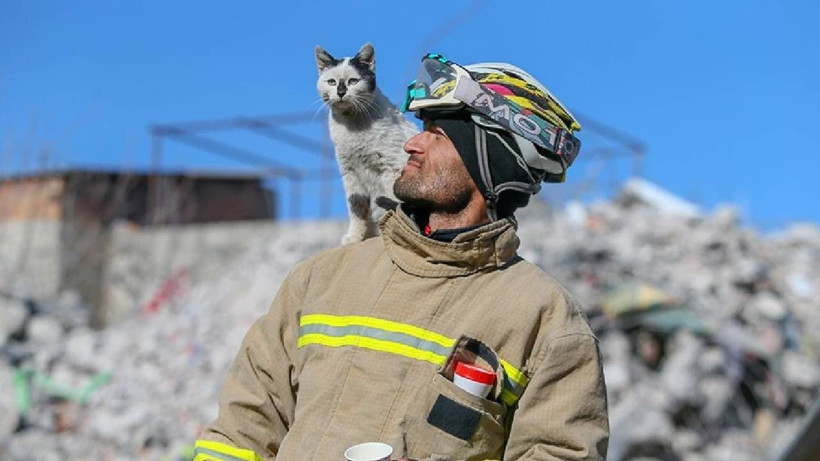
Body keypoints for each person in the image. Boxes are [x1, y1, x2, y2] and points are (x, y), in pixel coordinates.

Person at [194, 53, 608, 461]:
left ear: (490, 161)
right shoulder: (322, 279)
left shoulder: (544, 319)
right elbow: (241, 429)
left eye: (438, 134)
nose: (412, 141)